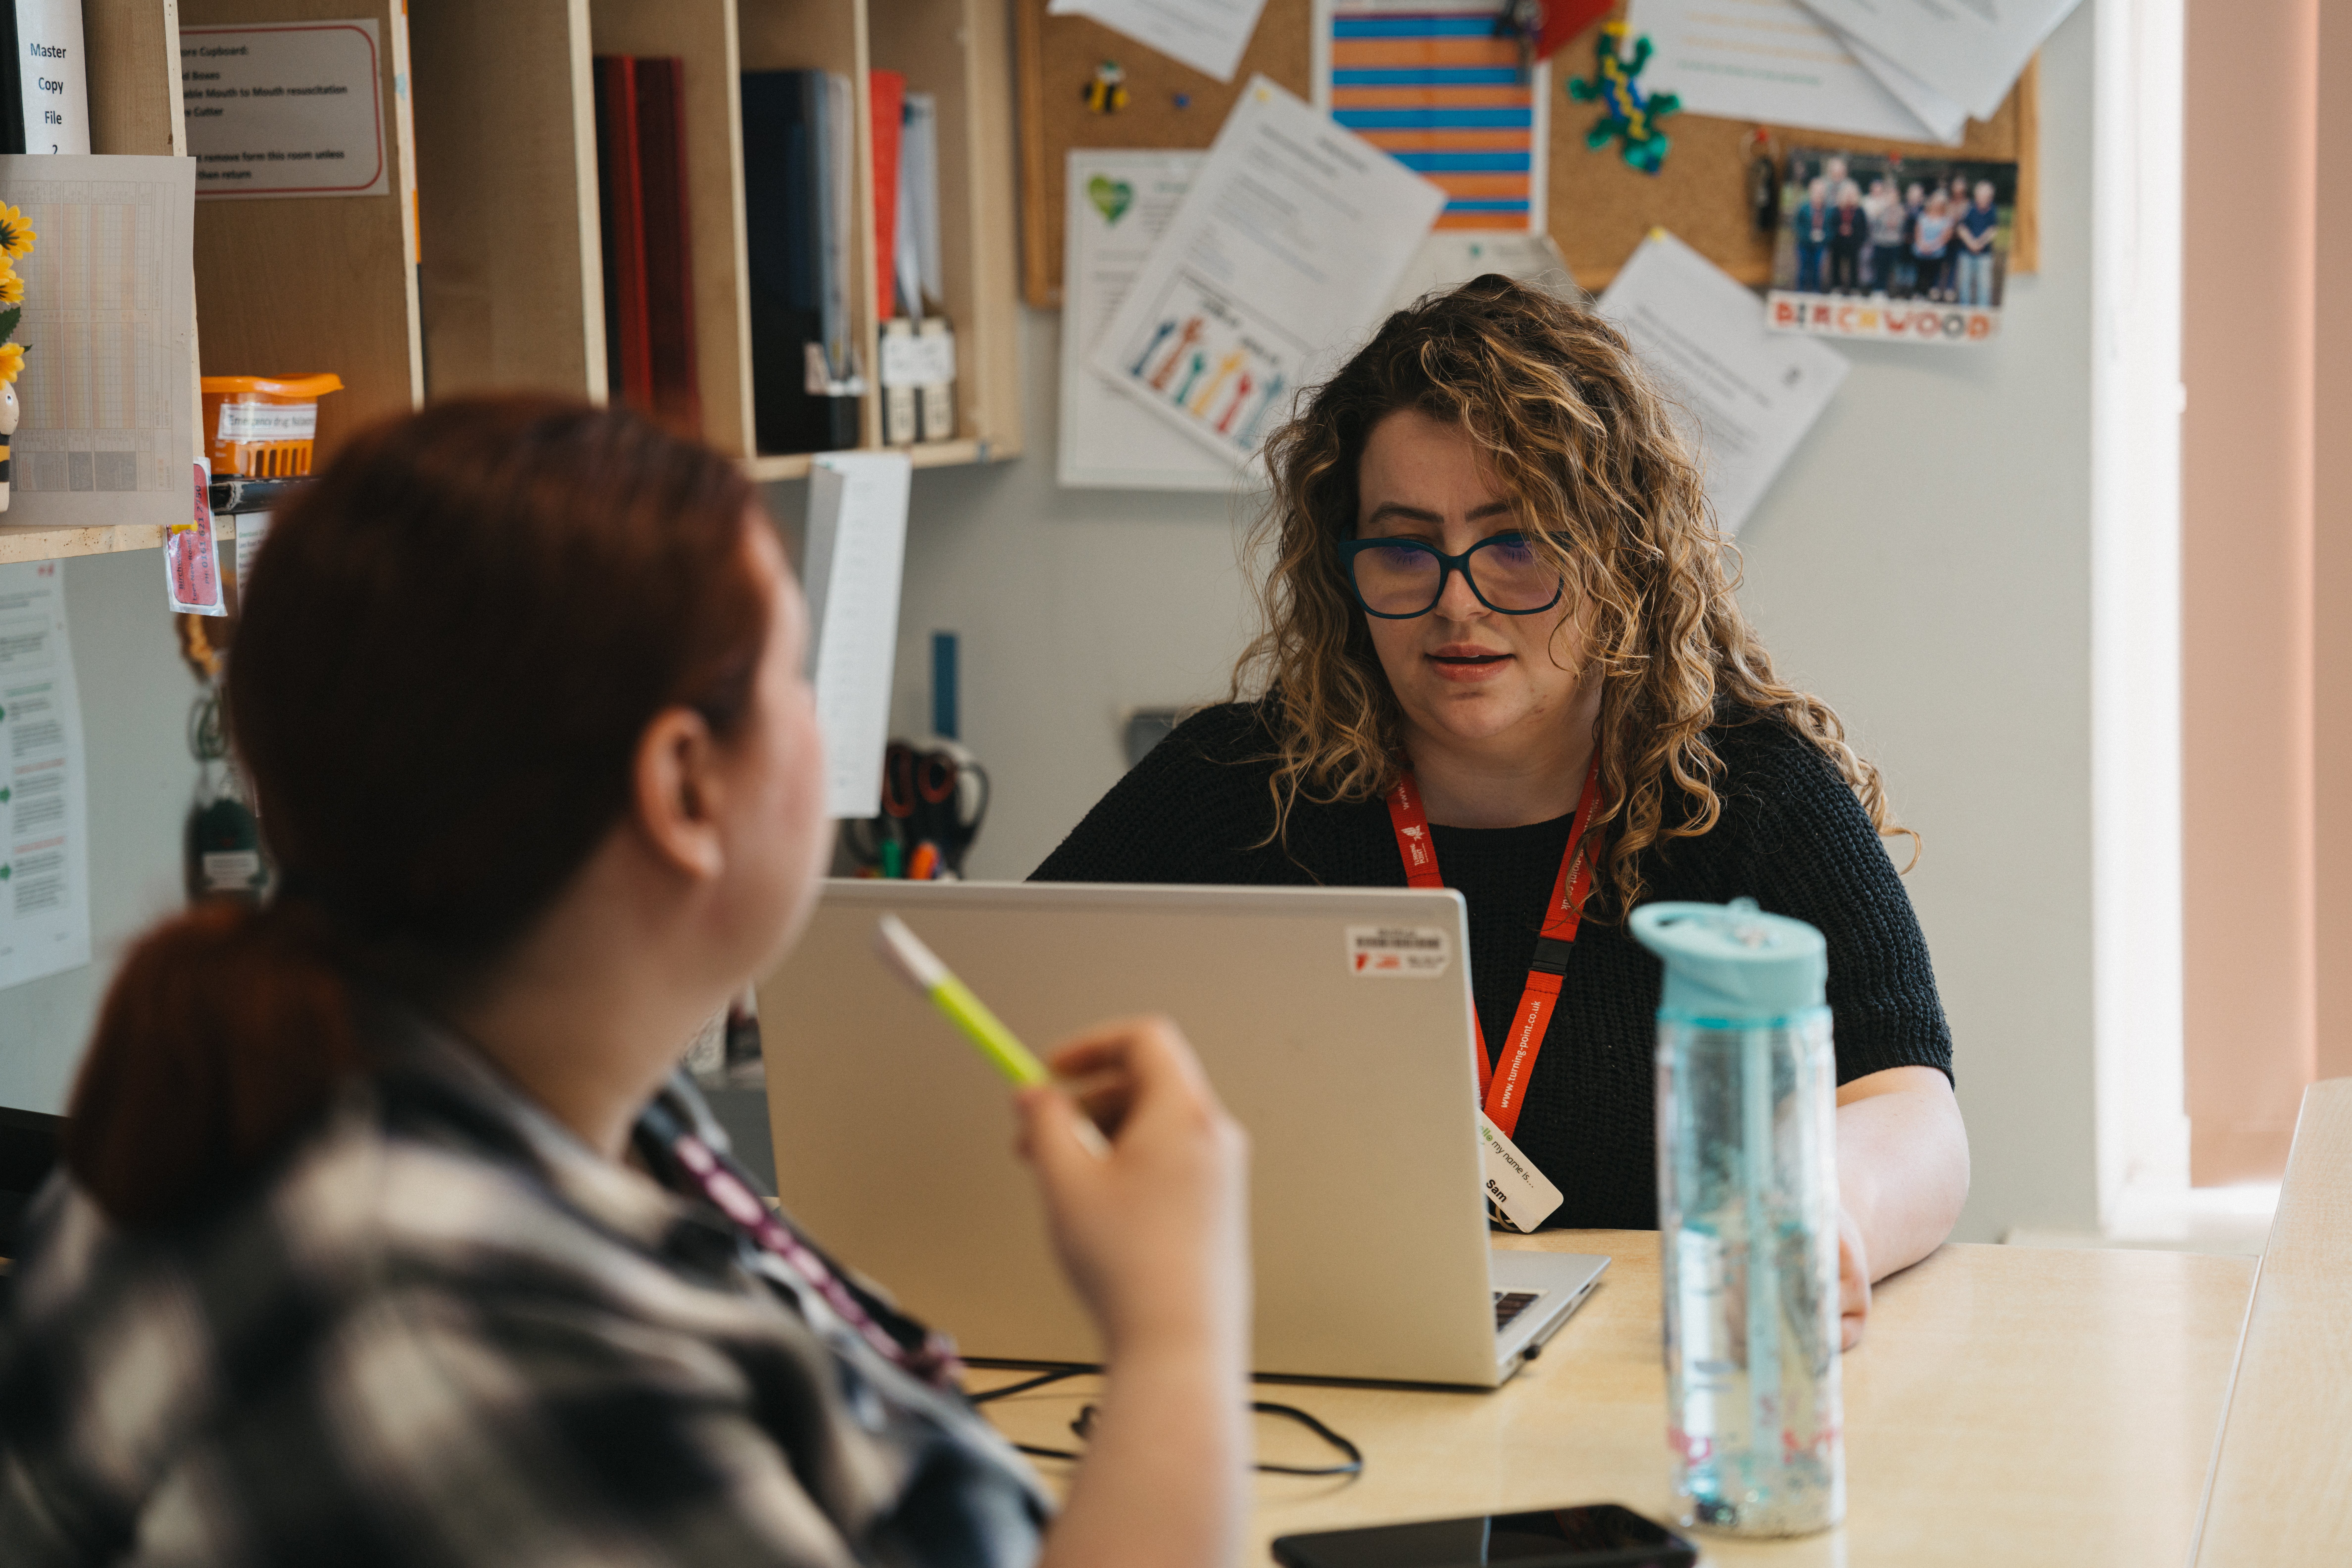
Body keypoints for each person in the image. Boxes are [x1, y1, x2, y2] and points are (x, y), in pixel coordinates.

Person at [0, 399, 1253, 1567]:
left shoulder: (511, 1099)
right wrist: (1176, 1327)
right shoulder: (456, 1335)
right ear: (684, 789)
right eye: (794, 685)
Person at [1034, 278, 1968, 1349]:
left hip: (1654, 1383)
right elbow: (1006, 1035)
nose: (1456, 600)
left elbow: (1910, 1105)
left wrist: (1826, 1210)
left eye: (1516, 541)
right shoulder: (1231, 785)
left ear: (1619, 552)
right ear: (1345, 569)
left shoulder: (1747, 789)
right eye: (1403, 545)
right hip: (1313, 1380)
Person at [1955, 179, 2000, 306]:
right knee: (1964, 285)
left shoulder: (1993, 211)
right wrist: (1971, 243)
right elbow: (1961, 228)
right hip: (1966, 253)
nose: (1982, 198)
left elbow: (1993, 230)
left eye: (1986, 196)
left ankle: (1983, 313)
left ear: (1990, 197)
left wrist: (1979, 244)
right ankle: (1965, 310)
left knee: (1984, 287)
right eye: (1980, 195)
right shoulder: (1969, 208)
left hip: (1985, 255)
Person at [1912, 188, 1956, 302]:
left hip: (1937, 253)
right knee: (1920, 274)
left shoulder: (1947, 220)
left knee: (1934, 276)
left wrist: (1931, 247)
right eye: (1935, 202)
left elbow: (1945, 238)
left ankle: (1930, 296)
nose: (1937, 205)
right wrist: (1923, 245)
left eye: (1940, 203)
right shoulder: (1923, 217)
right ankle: (1918, 295)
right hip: (1921, 251)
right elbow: (1918, 233)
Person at [1825, 178, 1867, 295]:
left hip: (1854, 244)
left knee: (1854, 267)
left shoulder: (1859, 211)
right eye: (1847, 194)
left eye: (1852, 194)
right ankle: (1836, 287)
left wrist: (1856, 235)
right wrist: (1840, 230)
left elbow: (1864, 228)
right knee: (1836, 266)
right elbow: (1831, 225)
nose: (1849, 196)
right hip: (1838, 243)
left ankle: (1854, 289)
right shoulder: (1836, 210)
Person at [1792, 174, 1830, 294]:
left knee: (1817, 269)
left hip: (1820, 245)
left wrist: (1824, 237)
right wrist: (1808, 236)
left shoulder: (1828, 210)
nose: (1819, 193)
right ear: (1811, 191)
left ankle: (1816, 292)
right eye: (1817, 190)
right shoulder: (1804, 208)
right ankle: (1801, 291)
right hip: (1804, 244)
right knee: (1803, 269)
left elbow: (1831, 228)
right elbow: (1797, 226)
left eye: (1821, 191)